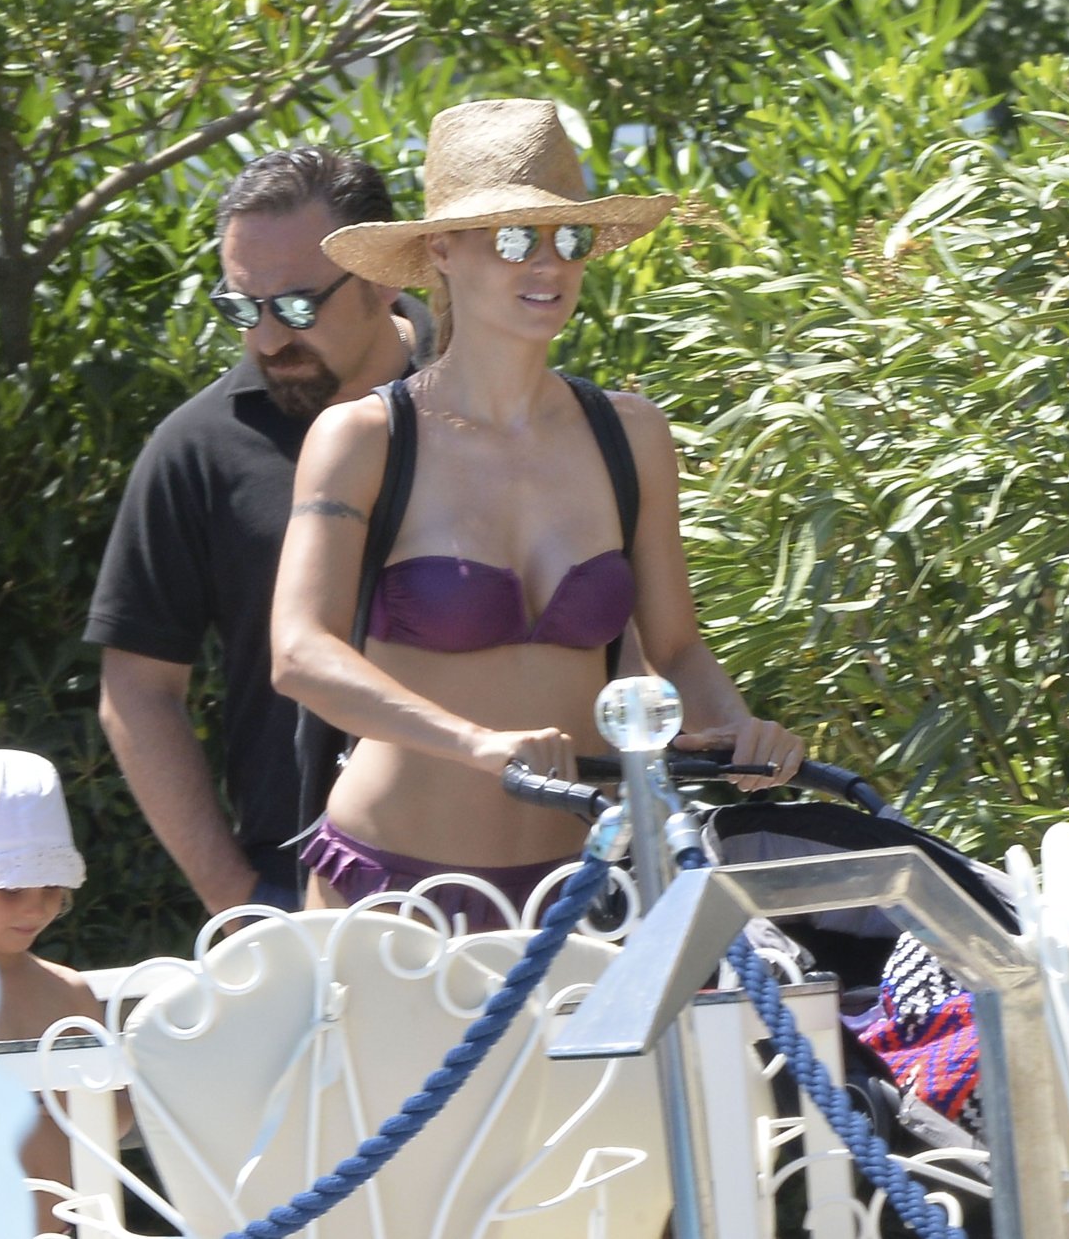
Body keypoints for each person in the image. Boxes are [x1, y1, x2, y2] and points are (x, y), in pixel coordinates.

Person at [271, 98, 806, 930]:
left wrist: (740, 733)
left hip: (582, 893)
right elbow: (300, 655)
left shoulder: (629, 435)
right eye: (515, 239)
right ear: (441, 250)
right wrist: (474, 743)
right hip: (390, 895)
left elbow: (675, 649)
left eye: (569, 239)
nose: (548, 263)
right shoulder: (365, 438)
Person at [87, 147, 430, 919]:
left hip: (524, 870)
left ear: (384, 274)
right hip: (306, 895)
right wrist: (236, 897)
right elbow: (137, 689)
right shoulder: (200, 448)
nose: (269, 340)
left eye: (299, 308)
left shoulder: (484, 404)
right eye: (243, 309)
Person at [0, 748, 121, 1232]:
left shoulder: (69, 993)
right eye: (10, 890)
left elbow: (113, 1114)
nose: (35, 910)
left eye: (51, 889)